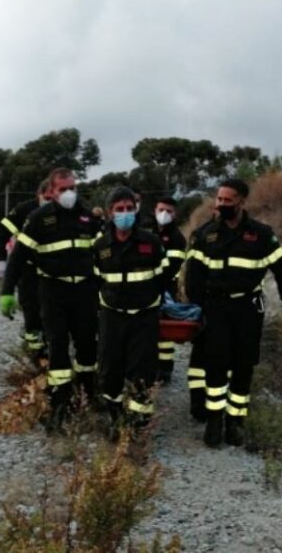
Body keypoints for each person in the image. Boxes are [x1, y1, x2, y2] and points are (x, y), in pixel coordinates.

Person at [185, 178, 282, 447]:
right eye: (219, 199)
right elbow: (193, 277)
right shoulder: (205, 234)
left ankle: (235, 422)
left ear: (242, 202)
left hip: (250, 305)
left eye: (228, 200)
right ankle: (214, 421)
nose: (221, 204)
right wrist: (197, 307)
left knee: (244, 364)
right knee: (216, 363)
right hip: (215, 306)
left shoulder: (261, 235)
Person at [0, 168, 101, 431]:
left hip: (85, 292)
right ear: (52, 192)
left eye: (72, 188)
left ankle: (88, 397)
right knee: (57, 349)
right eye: (62, 189)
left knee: (87, 348)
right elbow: (18, 257)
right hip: (54, 293)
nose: (68, 193)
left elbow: (104, 254)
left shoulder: (87, 217)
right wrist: (7, 291)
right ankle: (59, 407)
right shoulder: (39, 219)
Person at [92, 186, 167, 435]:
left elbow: (163, 278)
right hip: (112, 316)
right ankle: (114, 417)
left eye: (129, 208)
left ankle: (139, 424)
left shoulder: (151, 242)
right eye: (119, 209)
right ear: (109, 213)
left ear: (136, 210)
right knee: (109, 370)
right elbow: (95, 281)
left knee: (143, 372)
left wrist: (153, 303)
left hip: (144, 317)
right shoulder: (100, 246)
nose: (125, 213)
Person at [0, 180, 53, 364]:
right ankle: (36, 354)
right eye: (47, 198)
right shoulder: (23, 211)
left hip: (54, 271)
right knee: (31, 311)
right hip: (28, 269)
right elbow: (1, 234)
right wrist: (0, 259)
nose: (50, 202)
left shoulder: (64, 212)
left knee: (52, 312)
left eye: (54, 198)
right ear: (39, 195)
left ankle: (52, 349)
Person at [151, 197, 188, 384]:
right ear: (154, 210)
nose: (164, 214)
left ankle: (165, 370)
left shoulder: (177, 238)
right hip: (145, 287)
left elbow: (172, 267)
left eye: (169, 211)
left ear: (175, 214)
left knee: (164, 331)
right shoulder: (146, 230)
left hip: (166, 288)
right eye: (161, 209)